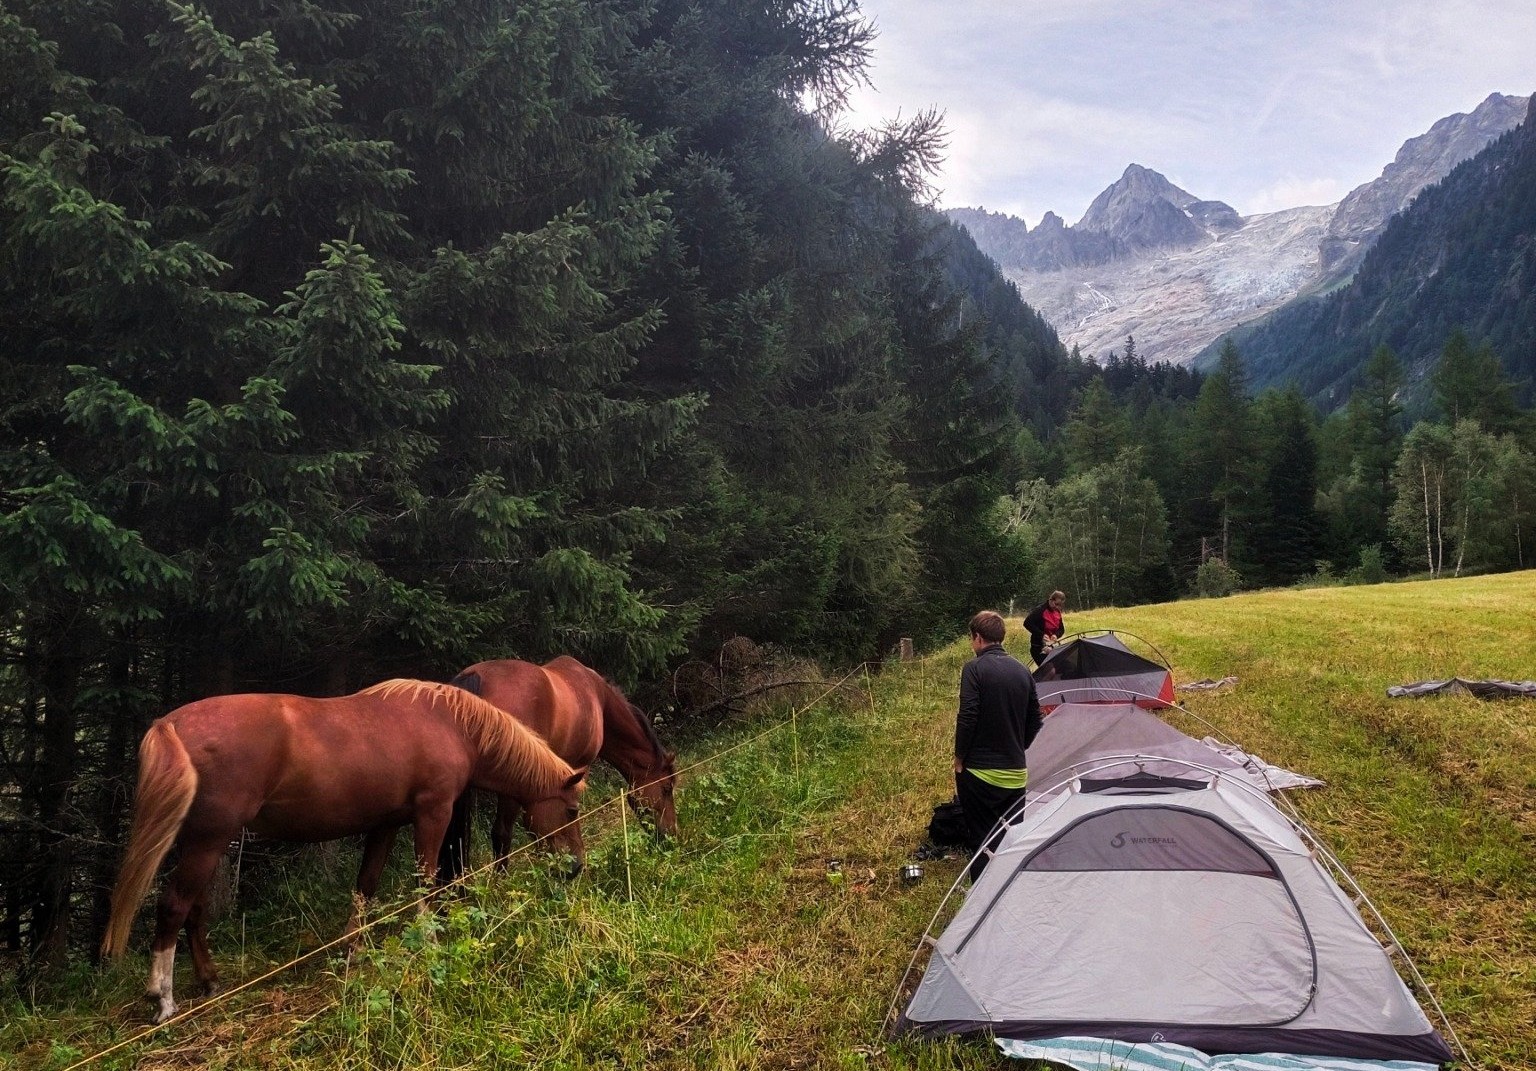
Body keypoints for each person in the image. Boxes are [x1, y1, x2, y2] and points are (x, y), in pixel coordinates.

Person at [953, 610, 1042, 881]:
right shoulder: (1022, 671)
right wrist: (1019, 746)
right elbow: (1036, 721)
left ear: (978, 637)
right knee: (1010, 838)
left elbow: (967, 715)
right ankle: (1007, 889)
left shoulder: (974, 669)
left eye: (972, 639)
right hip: (1016, 772)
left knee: (982, 839)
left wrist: (959, 757)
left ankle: (981, 897)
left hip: (980, 772)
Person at [1023, 590, 1066, 666]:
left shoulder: (1057, 612)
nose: (1057, 607)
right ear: (1051, 600)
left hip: (1051, 647)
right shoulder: (1040, 610)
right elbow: (1027, 623)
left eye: (1060, 605)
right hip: (1038, 648)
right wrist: (1042, 635)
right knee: (1049, 671)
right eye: (1056, 604)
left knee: (1062, 667)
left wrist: (1056, 635)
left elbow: (1061, 629)